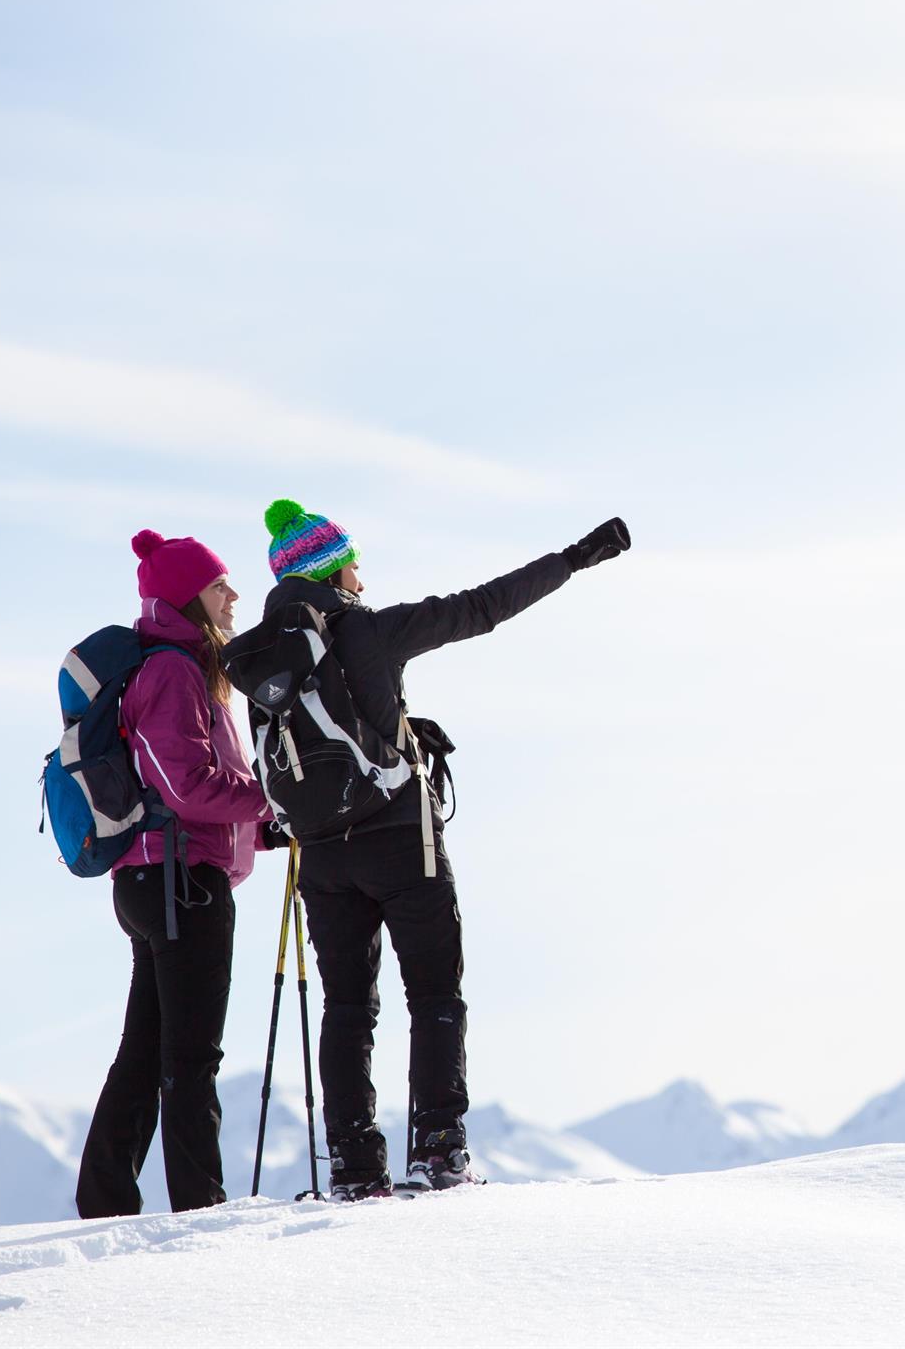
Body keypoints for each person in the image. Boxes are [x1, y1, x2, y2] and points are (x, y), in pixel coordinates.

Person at [255, 498, 630, 1199]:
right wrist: (572, 561)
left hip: (321, 856)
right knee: (432, 996)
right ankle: (438, 1152)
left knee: (346, 1007)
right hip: (400, 837)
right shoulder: (368, 631)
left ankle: (354, 1168)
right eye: (354, 566)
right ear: (334, 572)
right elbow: (480, 608)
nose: (362, 578)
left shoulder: (259, 658)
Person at [76, 529, 277, 1218]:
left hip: (156, 876)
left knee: (148, 1050)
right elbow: (186, 784)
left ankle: (105, 1199)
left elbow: (182, 787)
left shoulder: (174, 666)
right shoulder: (172, 671)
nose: (234, 597)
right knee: (190, 1056)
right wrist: (273, 799)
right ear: (190, 597)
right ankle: (201, 1206)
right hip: (181, 881)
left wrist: (261, 821)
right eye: (221, 586)